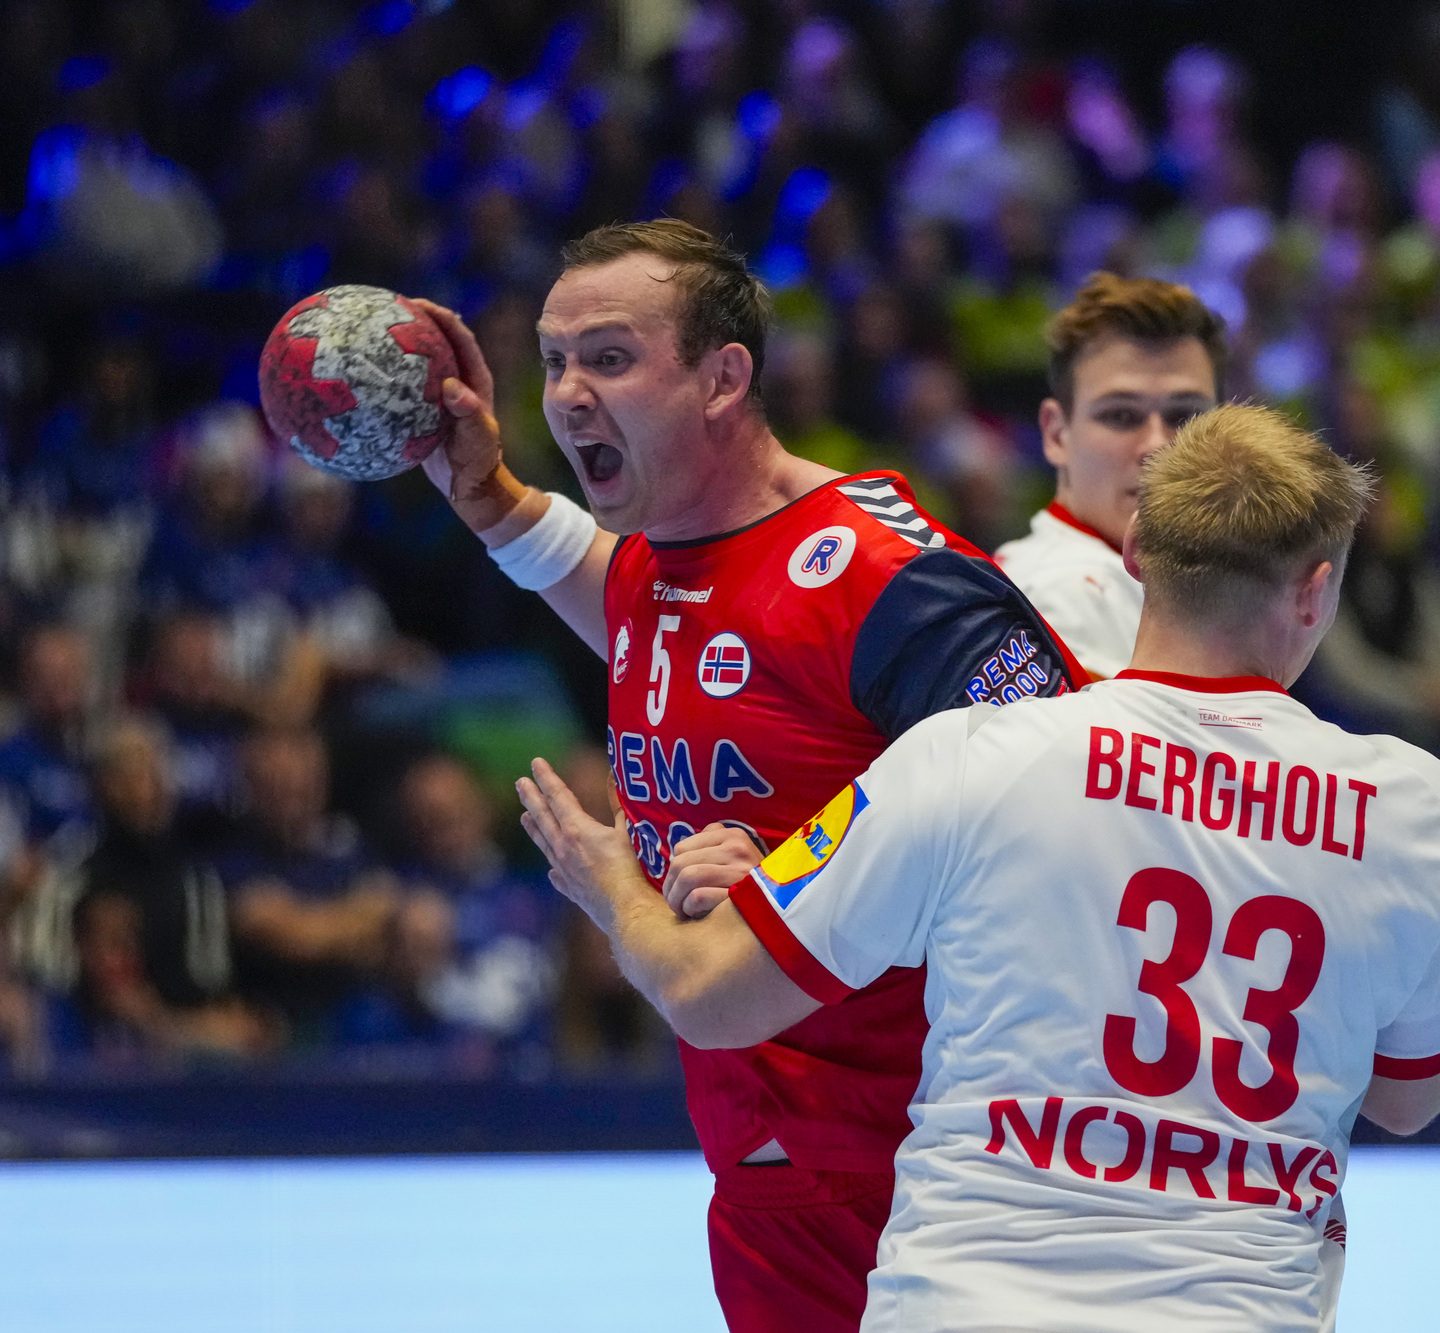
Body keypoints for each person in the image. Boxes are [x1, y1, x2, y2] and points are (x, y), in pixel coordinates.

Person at [517, 403, 1440, 1330]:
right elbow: (1405, 1099)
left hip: (969, 1299)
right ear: (1316, 591)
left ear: (1134, 551)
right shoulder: (1411, 812)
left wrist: (613, 882)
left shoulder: (969, 754)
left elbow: (705, 993)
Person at [414, 217, 1081, 1330]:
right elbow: (643, 606)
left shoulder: (888, 580)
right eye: (555, 360)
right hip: (768, 1165)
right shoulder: (667, 548)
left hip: (920, 1177)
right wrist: (487, 496)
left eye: (610, 358)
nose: (568, 394)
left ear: (724, 378)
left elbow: (1085, 829)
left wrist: (811, 877)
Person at [994, 271, 1225, 679]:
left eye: (1185, 416)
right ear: (1056, 433)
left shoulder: (1208, 589)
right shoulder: (1057, 595)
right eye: (1120, 415)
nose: (1157, 446)